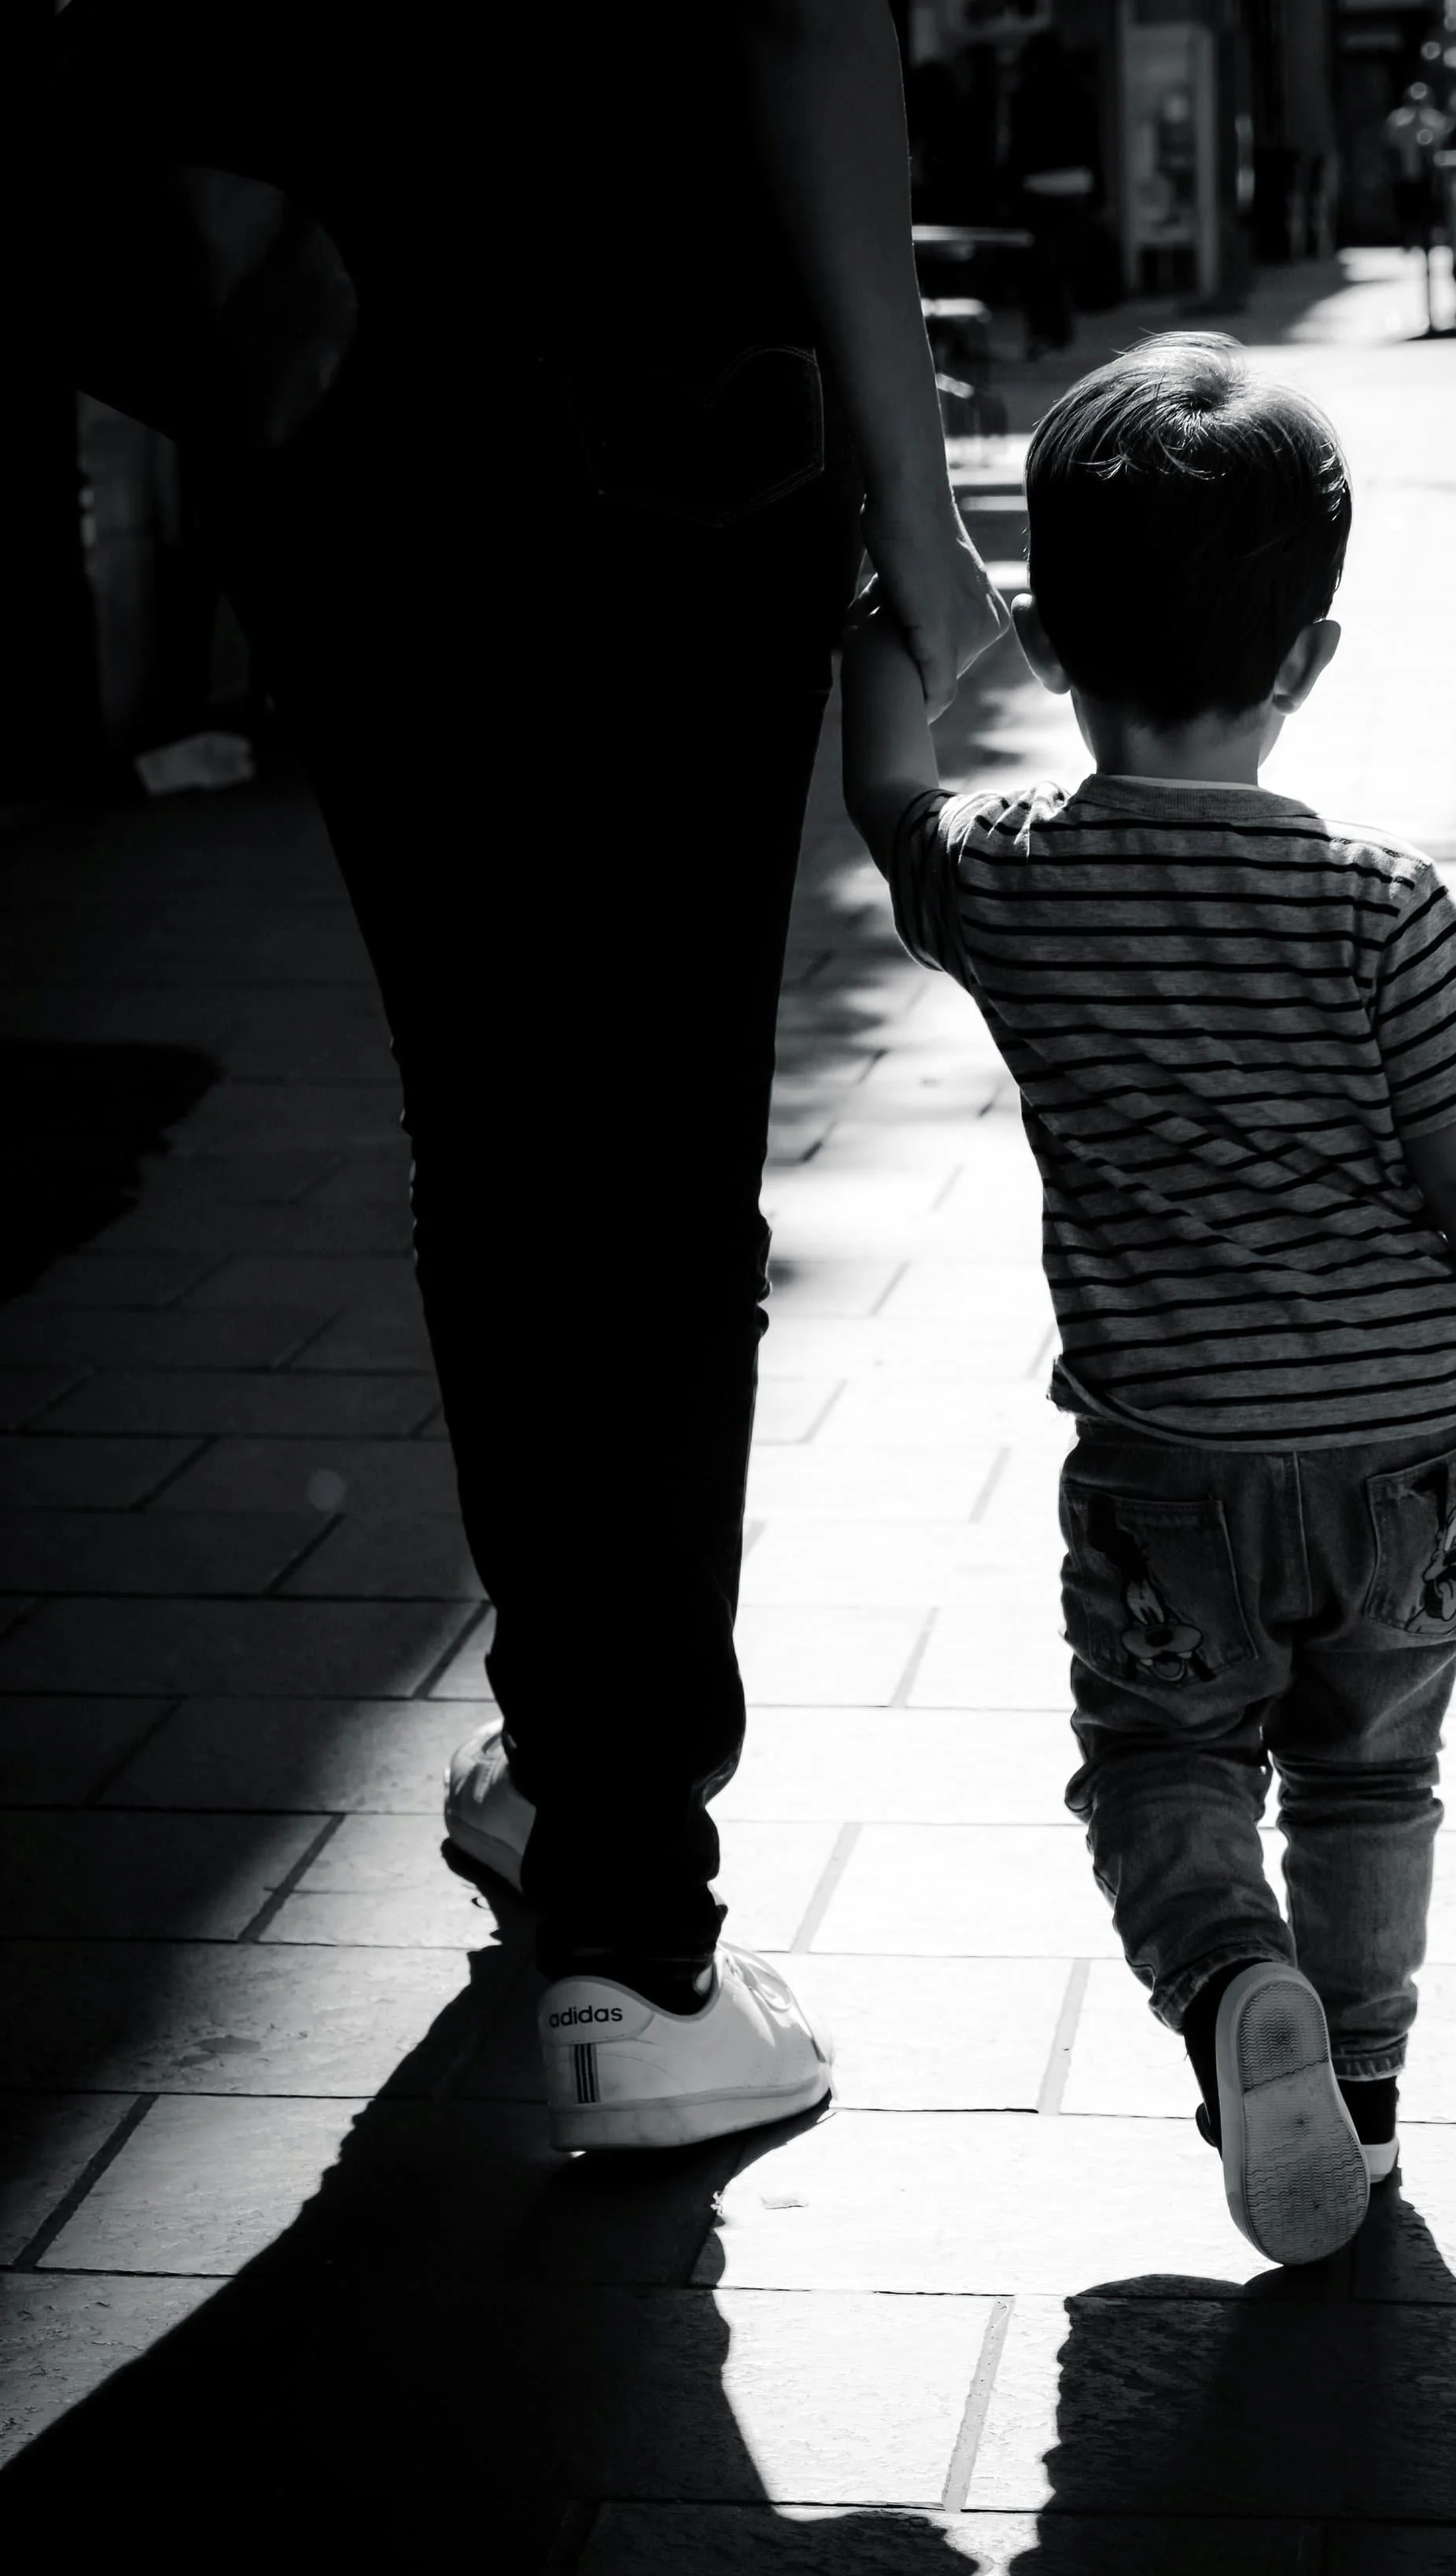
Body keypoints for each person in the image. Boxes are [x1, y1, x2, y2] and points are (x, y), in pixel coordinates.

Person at [36, 1, 1004, 2154]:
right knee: (646, 1174)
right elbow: (806, 23)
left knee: (492, 1138)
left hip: (354, 416)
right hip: (665, 415)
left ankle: (574, 1773)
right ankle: (639, 1943)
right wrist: (917, 502)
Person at [839, 334, 1456, 2265]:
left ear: (1053, 639)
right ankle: (1353, 2090)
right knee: (1376, 1773)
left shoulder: (1013, 880)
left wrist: (897, 612)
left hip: (1167, 1461)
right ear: (1311, 659)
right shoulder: (1378, 899)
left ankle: (1226, 1981)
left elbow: (886, 797)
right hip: (1409, 1453)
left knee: (1164, 1761)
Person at [1383, 79, 1445, 253]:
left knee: (1428, 207)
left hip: (1429, 176)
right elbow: (1391, 148)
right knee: (1406, 208)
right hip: (1405, 174)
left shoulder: (1436, 122)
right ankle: (1408, 238)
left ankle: (1427, 237)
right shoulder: (1397, 121)